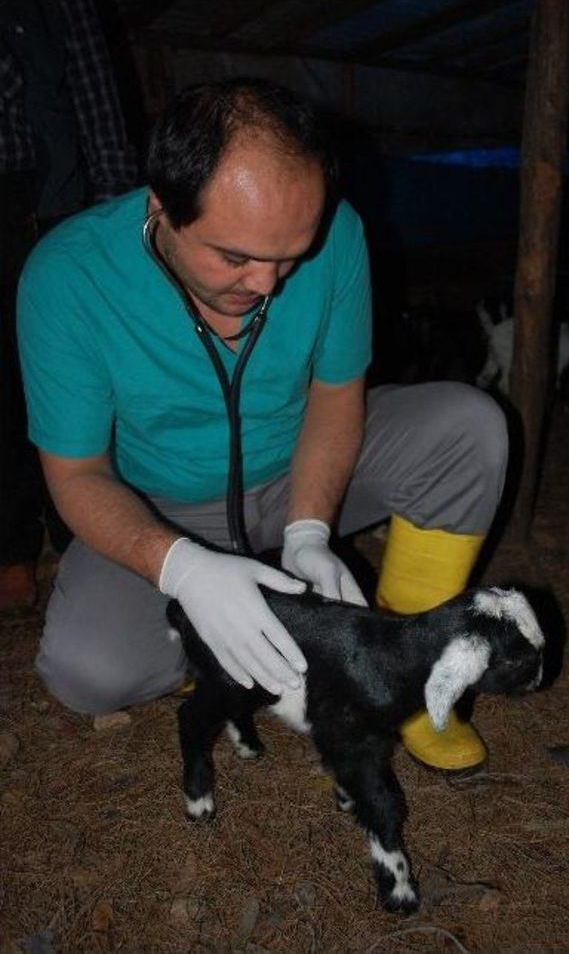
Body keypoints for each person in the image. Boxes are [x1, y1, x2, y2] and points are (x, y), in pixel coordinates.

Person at [18, 79, 508, 772]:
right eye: (236, 257)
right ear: (161, 207)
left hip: (295, 469)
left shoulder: (338, 234)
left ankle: (404, 670)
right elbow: (75, 472)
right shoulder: (67, 277)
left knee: (469, 429)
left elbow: (339, 395)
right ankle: (224, 639)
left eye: (290, 258)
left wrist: (310, 529)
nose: (268, 285)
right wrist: (182, 568)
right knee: (87, 670)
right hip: (161, 504)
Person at [0, 0, 138, 609]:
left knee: (67, 375)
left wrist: (110, 217)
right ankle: (11, 550)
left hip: (50, 202)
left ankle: (83, 538)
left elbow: (94, 95)